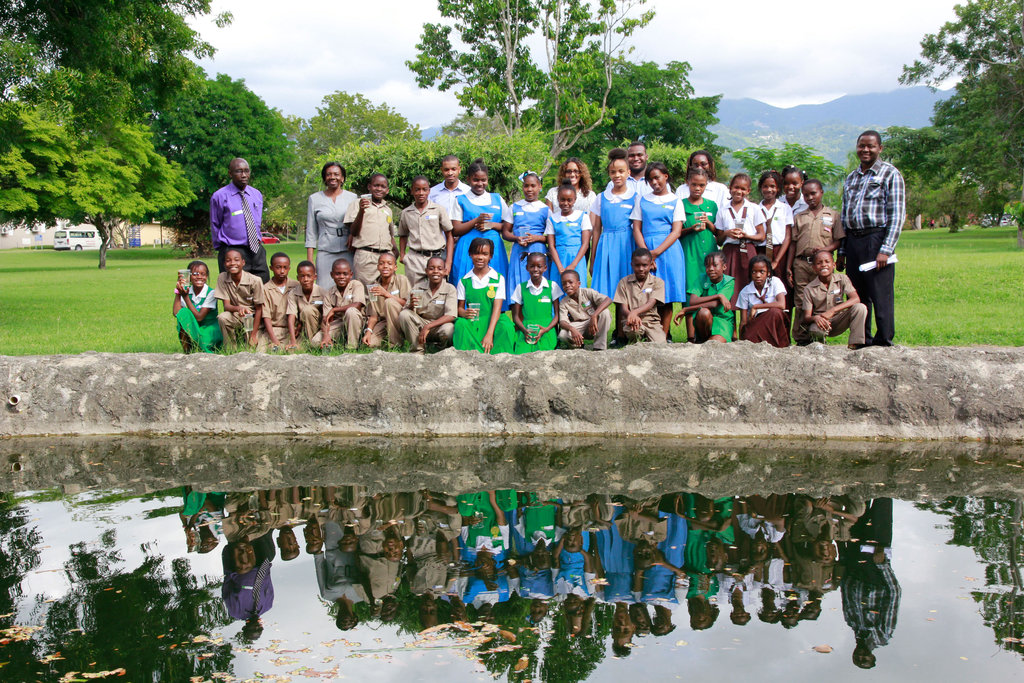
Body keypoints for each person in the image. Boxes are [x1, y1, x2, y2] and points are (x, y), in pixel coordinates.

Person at [841, 130, 905, 346]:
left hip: (876, 239)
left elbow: (896, 215)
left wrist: (886, 249)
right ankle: (862, 339)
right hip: (853, 240)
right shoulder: (851, 177)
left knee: (880, 292)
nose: (865, 150)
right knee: (858, 293)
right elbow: (844, 215)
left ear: (880, 148)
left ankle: (884, 339)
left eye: (870, 146)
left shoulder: (890, 174)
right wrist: (842, 250)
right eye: (862, 146)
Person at [841, 498, 900, 670]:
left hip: (855, 565)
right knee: (882, 505)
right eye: (864, 658)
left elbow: (846, 594)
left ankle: (863, 481)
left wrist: (847, 565)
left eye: (857, 658)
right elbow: (894, 594)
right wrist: (882, 565)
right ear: (872, 656)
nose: (861, 655)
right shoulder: (883, 633)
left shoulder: (853, 625)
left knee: (861, 510)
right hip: (875, 566)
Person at [631, 162, 686, 339]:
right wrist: (647, 254)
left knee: (667, 294)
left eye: (657, 177)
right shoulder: (642, 199)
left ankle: (665, 334)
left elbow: (676, 231)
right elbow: (637, 228)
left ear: (666, 176)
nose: (654, 182)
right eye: (650, 179)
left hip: (669, 250)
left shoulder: (675, 200)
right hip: (645, 247)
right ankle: (648, 332)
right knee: (647, 292)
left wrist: (656, 253)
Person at [787, 179, 844, 344]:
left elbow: (839, 240)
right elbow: (793, 243)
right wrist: (789, 265)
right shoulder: (799, 217)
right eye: (806, 195)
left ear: (821, 193)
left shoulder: (832, 215)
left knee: (821, 298)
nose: (810, 197)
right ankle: (801, 337)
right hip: (802, 264)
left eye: (813, 193)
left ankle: (818, 334)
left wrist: (825, 250)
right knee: (800, 300)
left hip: (823, 265)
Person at [448, 159, 511, 291]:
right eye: (476, 180)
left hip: (494, 248)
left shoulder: (497, 199)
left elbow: (507, 227)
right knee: (466, 283)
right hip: (468, 248)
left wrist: (492, 225)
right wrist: (475, 221)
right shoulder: (460, 200)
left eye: (483, 180)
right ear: (468, 179)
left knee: (494, 284)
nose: (480, 184)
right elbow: (456, 230)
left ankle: (496, 310)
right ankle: (464, 310)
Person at [210, 157, 270, 282]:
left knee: (262, 286)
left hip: (256, 249)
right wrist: (223, 249)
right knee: (236, 291)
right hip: (233, 250)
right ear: (230, 173)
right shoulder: (220, 196)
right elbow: (215, 224)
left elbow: (257, 221)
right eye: (239, 171)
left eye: (246, 171)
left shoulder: (256, 194)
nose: (244, 175)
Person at [590, 148, 640, 300]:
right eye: (613, 172)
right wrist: (593, 259)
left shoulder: (635, 197)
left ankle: (623, 324)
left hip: (626, 244)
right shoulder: (601, 197)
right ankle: (601, 323)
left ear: (628, 173)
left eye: (621, 171)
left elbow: (638, 227)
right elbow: (597, 230)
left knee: (627, 292)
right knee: (603, 292)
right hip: (606, 244)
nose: (617, 175)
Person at [453, 237, 515, 354]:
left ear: (490, 256)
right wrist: (464, 313)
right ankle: (465, 355)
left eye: (485, 254)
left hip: (493, 319)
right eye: (476, 253)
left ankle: (502, 356)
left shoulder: (498, 279)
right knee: (460, 324)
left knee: (506, 327)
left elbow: (497, 308)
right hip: (474, 321)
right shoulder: (464, 280)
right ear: (470, 254)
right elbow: (459, 308)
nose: (480, 257)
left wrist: (489, 334)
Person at [678, 167, 720, 341]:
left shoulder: (712, 205)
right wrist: (691, 228)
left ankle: (709, 331)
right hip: (690, 254)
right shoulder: (680, 204)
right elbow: (677, 231)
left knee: (710, 289)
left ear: (706, 186)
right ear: (688, 183)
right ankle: (691, 336)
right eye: (694, 184)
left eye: (701, 185)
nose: (697, 188)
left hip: (709, 253)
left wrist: (708, 223)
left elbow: (718, 231)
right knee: (690, 292)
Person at [800, 250, 868, 349]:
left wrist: (833, 310)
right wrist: (816, 318)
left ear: (834, 264)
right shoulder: (809, 289)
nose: (823, 265)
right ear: (814, 268)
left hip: (840, 319)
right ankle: (820, 347)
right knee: (815, 329)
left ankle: (855, 344)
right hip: (822, 323)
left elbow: (855, 299)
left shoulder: (842, 279)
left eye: (827, 262)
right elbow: (806, 317)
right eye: (819, 263)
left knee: (860, 307)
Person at [305, 161, 358, 290]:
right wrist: (310, 260)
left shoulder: (352, 197)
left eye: (336, 174)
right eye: (328, 174)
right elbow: (311, 231)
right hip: (325, 249)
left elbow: (357, 222)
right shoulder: (315, 198)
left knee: (349, 288)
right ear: (324, 178)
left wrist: (352, 234)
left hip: (348, 249)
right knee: (324, 287)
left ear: (342, 178)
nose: (332, 177)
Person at [398, 175, 454, 289]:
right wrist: (403, 255)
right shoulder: (406, 212)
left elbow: (449, 235)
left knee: (437, 293)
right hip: (415, 259)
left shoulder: (438, 209)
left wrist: (448, 262)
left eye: (424, 189)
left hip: (436, 257)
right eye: (417, 189)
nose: (421, 193)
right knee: (415, 293)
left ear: (429, 191)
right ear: (412, 191)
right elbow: (403, 235)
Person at [715, 173, 766, 296]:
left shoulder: (754, 208)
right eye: (736, 187)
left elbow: (761, 236)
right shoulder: (723, 210)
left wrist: (746, 236)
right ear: (730, 188)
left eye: (743, 189)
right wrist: (727, 233)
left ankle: (749, 315)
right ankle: (729, 314)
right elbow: (719, 240)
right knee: (730, 287)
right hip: (730, 251)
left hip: (748, 250)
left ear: (748, 191)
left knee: (749, 287)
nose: (739, 191)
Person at [503, 171, 550, 301]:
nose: (529, 189)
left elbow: (551, 237)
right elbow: (505, 232)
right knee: (518, 285)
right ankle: (519, 319)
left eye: (533, 186)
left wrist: (537, 238)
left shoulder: (545, 209)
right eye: (526, 186)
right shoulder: (514, 207)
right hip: (519, 252)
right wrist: (516, 238)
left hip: (538, 251)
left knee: (537, 285)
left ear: (540, 187)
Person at [344, 173, 397, 286]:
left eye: (383, 186)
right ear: (369, 187)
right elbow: (353, 231)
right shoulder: (357, 204)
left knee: (385, 289)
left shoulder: (387, 209)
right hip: (366, 255)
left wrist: (395, 252)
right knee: (367, 291)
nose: (379, 189)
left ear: (387, 190)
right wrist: (362, 211)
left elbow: (390, 234)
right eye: (376, 185)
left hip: (385, 256)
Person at [399, 256, 458, 353]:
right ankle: (417, 350)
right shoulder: (418, 287)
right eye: (431, 268)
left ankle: (440, 351)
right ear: (426, 271)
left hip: (439, 325)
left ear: (445, 271)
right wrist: (411, 306)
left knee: (449, 329)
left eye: (439, 269)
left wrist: (428, 326)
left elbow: (451, 315)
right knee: (404, 314)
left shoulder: (450, 289)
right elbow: (404, 310)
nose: (435, 271)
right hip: (421, 323)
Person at [676, 251, 734, 343]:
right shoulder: (701, 278)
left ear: (724, 267)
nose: (711, 269)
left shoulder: (729, 282)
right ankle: (702, 339)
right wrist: (719, 295)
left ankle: (708, 341)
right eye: (707, 266)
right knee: (704, 312)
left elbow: (714, 304)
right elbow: (693, 300)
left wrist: (686, 309)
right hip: (703, 321)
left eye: (715, 265)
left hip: (722, 321)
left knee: (715, 343)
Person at [511, 253, 562, 353]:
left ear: (545, 268)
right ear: (527, 268)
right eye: (532, 266)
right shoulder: (521, 288)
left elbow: (557, 315)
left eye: (539, 266)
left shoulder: (552, 286)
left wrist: (546, 329)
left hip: (546, 329)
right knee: (522, 353)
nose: (535, 269)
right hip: (526, 329)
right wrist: (525, 331)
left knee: (546, 352)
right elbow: (515, 316)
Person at [613, 248, 667, 343]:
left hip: (651, 322)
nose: (641, 269)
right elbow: (623, 307)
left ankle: (650, 338)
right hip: (631, 320)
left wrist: (635, 312)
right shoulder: (624, 282)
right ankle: (634, 341)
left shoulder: (658, 282)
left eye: (644, 265)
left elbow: (651, 303)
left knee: (660, 344)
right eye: (637, 265)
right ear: (632, 265)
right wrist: (632, 315)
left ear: (651, 265)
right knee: (635, 333)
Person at [214, 248, 265, 348]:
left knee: (253, 348)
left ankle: (250, 337)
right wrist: (239, 308)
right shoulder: (222, 277)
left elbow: (259, 309)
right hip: (236, 315)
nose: (232, 263)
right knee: (222, 317)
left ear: (243, 263)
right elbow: (226, 306)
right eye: (228, 260)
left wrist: (254, 335)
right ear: (224, 264)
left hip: (252, 318)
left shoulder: (255, 280)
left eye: (236, 260)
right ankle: (230, 348)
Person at [736, 255, 790, 347]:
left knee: (775, 312)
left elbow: (781, 304)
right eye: (754, 272)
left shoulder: (775, 282)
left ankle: (781, 345)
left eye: (762, 272)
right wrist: (741, 341)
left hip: (775, 320)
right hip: (756, 324)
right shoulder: (745, 291)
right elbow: (743, 321)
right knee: (749, 337)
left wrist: (756, 306)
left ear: (768, 273)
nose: (758, 275)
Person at [362, 252, 410, 349]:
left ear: (395, 267)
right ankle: (385, 341)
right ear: (378, 267)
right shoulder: (374, 286)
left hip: (400, 320)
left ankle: (395, 345)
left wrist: (386, 294)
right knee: (370, 344)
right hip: (383, 322)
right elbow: (374, 315)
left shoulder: (401, 280)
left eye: (389, 263)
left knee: (390, 302)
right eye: (382, 263)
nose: (385, 266)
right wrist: (368, 331)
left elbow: (407, 304)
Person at [173, 260, 222, 353]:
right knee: (184, 313)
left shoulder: (211, 293)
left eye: (203, 274)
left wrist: (186, 297)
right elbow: (176, 313)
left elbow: (200, 317)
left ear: (207, 276)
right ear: (189, 276)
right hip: (194, 327)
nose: (199, 277)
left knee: (204, 343)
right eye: (195, 274)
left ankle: (201, 346)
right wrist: (178, 292)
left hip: (208, 327)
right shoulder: (187, 291)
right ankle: (187, 351)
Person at [545, 183, 591, 279]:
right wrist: (560, 267)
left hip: (577, 259)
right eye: (562, 199)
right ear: (558, 199)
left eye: (569, 200)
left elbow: (585, 244)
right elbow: (551, 246)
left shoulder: (583, 217)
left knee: (576, 288)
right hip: (558, 259)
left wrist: (573, 265)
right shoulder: (552, 219)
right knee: (558, 288)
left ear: (574, 200)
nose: (566, 203)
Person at [558, 269, 612, 350]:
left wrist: (594, 315)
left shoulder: (588, 292)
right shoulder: (563, 302)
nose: (567, 285)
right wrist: (572, 329)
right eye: (564, 283)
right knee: (563, 334)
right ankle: (578, 346)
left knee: (605, 312)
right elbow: (562, 322)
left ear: (579, 283)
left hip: (595, 324)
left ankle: (599, 347)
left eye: (571, 282)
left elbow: (608, 300)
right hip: (579, 327)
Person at [255, 252, 298, 352]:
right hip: (272, 330)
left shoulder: (296, 286)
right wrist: (274, 340)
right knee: (261, 353)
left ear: (289, 268)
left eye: (285, 267)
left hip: (291, 330)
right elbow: (266, 316)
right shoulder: (265, 289)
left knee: (293, 352)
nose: (282, 271)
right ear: (271, 268)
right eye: (278, 267)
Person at [321, 259, 365, 350]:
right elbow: (326, 319)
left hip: (356, 322)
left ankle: (352, 347)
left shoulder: (356, 285)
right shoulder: (329, 293)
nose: (341, 277)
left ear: (351, 275)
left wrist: (334, 309)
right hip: (339, 324)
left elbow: (357, 305)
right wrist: (326, 335)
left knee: (351, 311)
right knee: (316, 342)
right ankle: (338, 344)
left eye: (345, 274)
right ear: (332, 275)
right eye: (337, 274)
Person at [756, 170, 793, 277]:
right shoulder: (755, 209)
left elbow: (788, 236)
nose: (769, 190)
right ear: (760, 188)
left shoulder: (785, 208)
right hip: (760, 251)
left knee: (780, 284)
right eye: (765, 186)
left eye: (772, 186)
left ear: (778, 188)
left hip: (779, 252)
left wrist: (777, 260)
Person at [286, 260, 327, 348]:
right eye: (302, 276)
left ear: (315, 277)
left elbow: (326, 317)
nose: (305, 279)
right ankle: (309, 344)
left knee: (308, 309)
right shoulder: (293, 293)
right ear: (297, 278)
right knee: (292, 349)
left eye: (309, 276)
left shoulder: (323, 293)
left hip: (320, 329)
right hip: (303, 329)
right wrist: (293, 341)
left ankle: (312, 344)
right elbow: (291, 317)